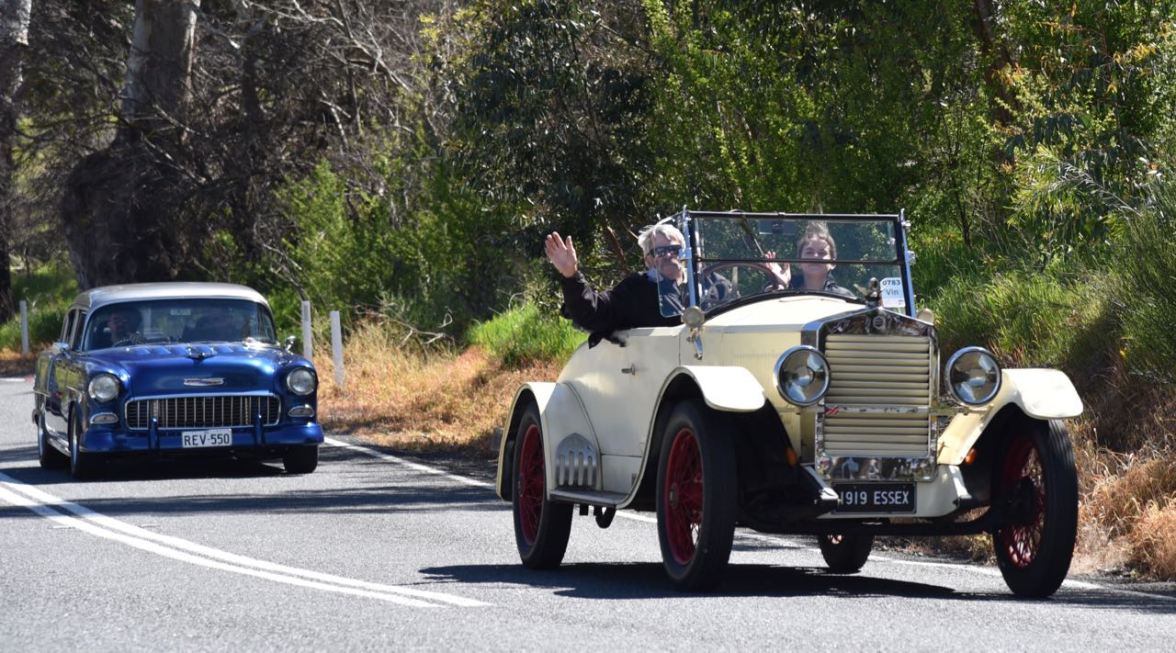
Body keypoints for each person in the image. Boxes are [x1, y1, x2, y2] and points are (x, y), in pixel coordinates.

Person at [544, 223, 685, 338]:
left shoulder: (696, 288)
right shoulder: (637, 289)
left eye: (674, 249)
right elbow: (595, 311)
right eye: (660, 252)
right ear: (648, 260)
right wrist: (571, 274)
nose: (668, 255)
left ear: (685, 253)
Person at [781, 222, 855, 299]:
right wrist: (782, 286)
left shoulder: (844, 297)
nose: (815, 256)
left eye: (822, 253)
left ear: (833, 263)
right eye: (809, 252)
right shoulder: (785, 291)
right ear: (799, 262)